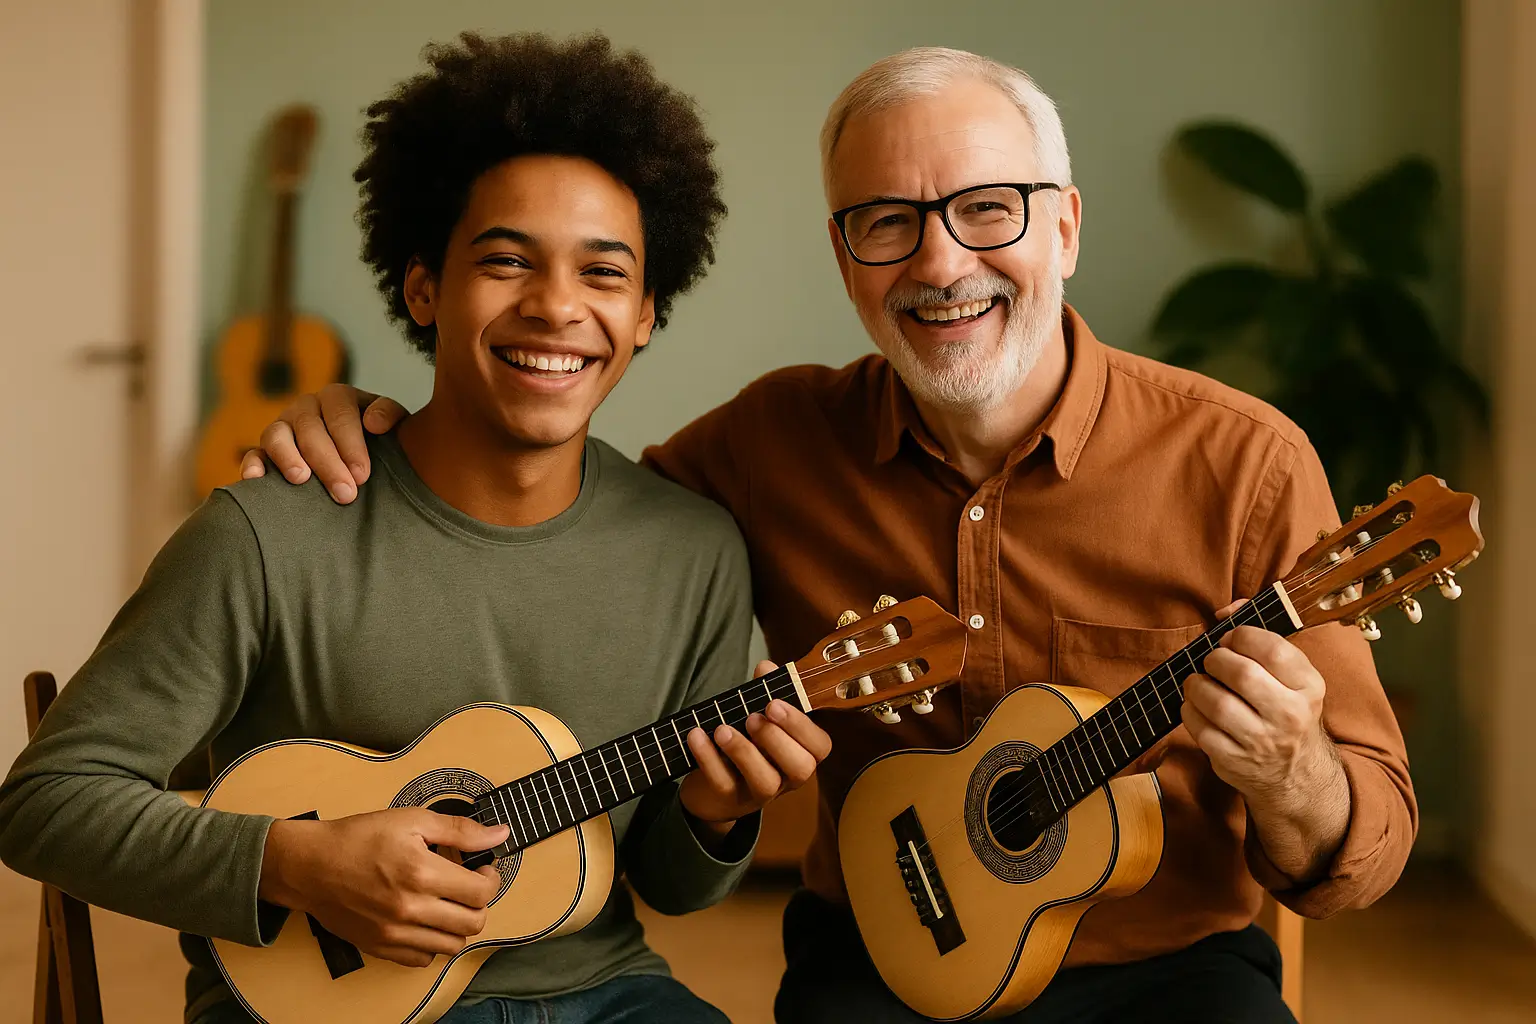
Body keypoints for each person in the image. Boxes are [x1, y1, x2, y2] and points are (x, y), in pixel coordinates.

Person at [240, 46, 1415, 1024]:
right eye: (885, 223)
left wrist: (1293, 770)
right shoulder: (772, 442)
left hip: (1161, 974)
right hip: (878, 959)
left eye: (986, 209)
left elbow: (1363, 845)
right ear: (847, 260)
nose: (941, 262)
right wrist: (382, 424)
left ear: (1062, 228)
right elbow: (556, 508)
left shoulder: (1246, 464)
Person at [0, 32, 831, 1024]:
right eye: (506, 260)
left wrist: (717, 813)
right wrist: (292, 861)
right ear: (424, 287)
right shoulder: (269, 529)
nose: (558, 305)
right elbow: (45, 803)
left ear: (647, 312)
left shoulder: (695, 552)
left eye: (604, 275)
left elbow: (672, 886)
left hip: (602, 991)